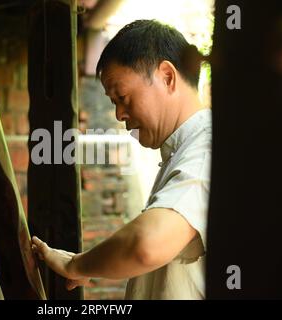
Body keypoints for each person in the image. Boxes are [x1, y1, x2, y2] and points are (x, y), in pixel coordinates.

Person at [31, 19, 212, 299]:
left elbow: (145, 244)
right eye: (114, 102)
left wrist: (75, 264)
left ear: (167, 77)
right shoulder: (183, 152)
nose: (119, 114)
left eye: (123, 96)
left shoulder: (206, 150)